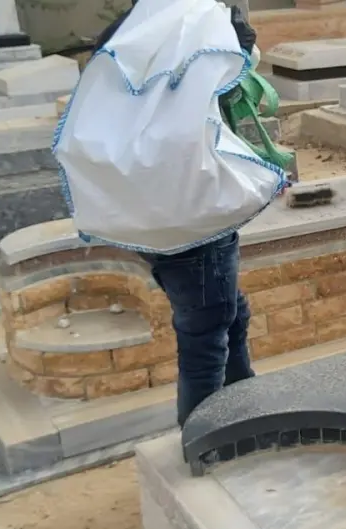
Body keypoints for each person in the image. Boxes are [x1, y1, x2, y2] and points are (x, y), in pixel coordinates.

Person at [94, 3, 260, 427]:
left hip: (153, 207)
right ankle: (207, 438)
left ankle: (247, 407)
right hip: (193, 210)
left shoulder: (133, 27)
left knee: (228, 312)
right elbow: (237, 64)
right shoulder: (199, 25)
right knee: (206, 334)